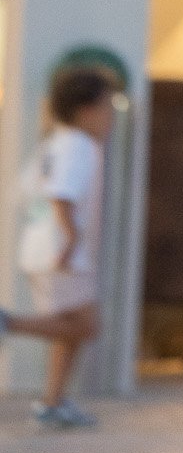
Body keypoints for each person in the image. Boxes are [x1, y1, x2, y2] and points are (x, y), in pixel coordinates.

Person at [0, 51, 125, 428]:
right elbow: (61, 194)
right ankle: (8, 323)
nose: (111, 117)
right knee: (86, 327)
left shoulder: (56, 141)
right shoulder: (79, 146)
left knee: (67, 328)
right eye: (106, 107)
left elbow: (26, 191)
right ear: (85, 110)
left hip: (41, 248)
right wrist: (71, 239)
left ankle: (53, 402)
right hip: (62, 253)